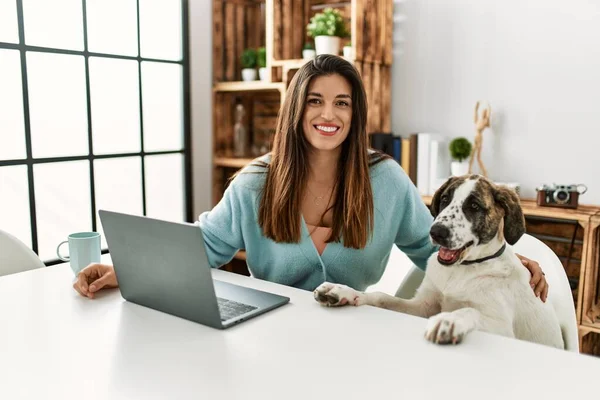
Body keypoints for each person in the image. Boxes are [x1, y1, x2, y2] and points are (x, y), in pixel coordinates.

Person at [73, 55, 548, 302]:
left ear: (355, 114)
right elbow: (203, 247)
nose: (328, 114)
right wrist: (124, 270)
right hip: (269, 335)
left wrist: (509, 264)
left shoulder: (386, 181)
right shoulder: (253, 184)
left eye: (342, 102)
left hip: (352, 337)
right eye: (316, 100)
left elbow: (437, 252)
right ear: (296, 108)